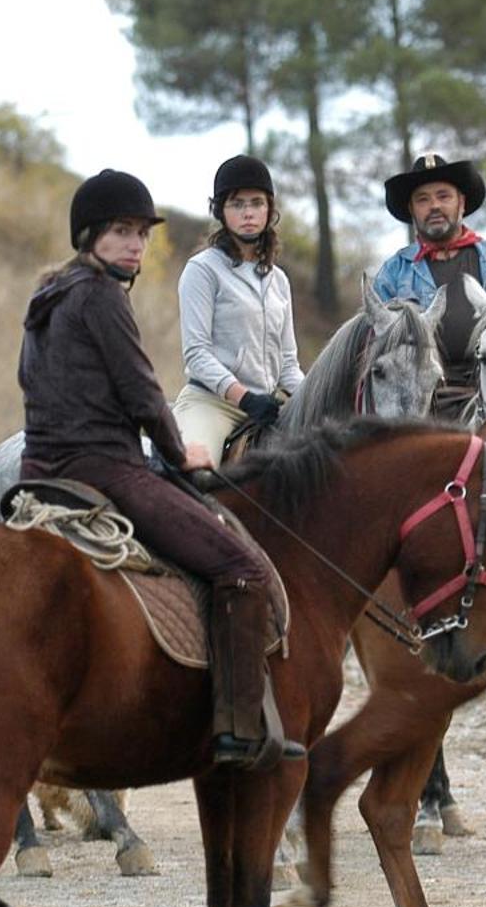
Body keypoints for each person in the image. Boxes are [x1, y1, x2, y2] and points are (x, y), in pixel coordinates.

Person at [18, 168, 299, 770]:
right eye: (121, 232)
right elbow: (144, 394)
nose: (134, 246)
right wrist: (178, 454)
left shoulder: (49, 295)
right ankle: (239, 727)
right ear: (89, 234)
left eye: (142, 235)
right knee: (240, 566)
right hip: (106, 469)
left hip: (40, 469)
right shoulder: (99, 298)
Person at [374, 152, 486, 418]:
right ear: (412, 210)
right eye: (422, 199)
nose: (434, 205)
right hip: (427, 410)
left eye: (443, 196)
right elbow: (378, 357)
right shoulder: (392, 274)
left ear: (461, 202)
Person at [172, 155, 306, 460]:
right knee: (196, 473)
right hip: (212, 405)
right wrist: (244, 398)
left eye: (257, 203)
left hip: (270, 408)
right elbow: (197, 353)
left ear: (269, 210)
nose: (248, 213)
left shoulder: (279, 281)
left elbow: (287, 363)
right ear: (220, 210)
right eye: (237, 204)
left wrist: (316, 398)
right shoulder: (202, 270)